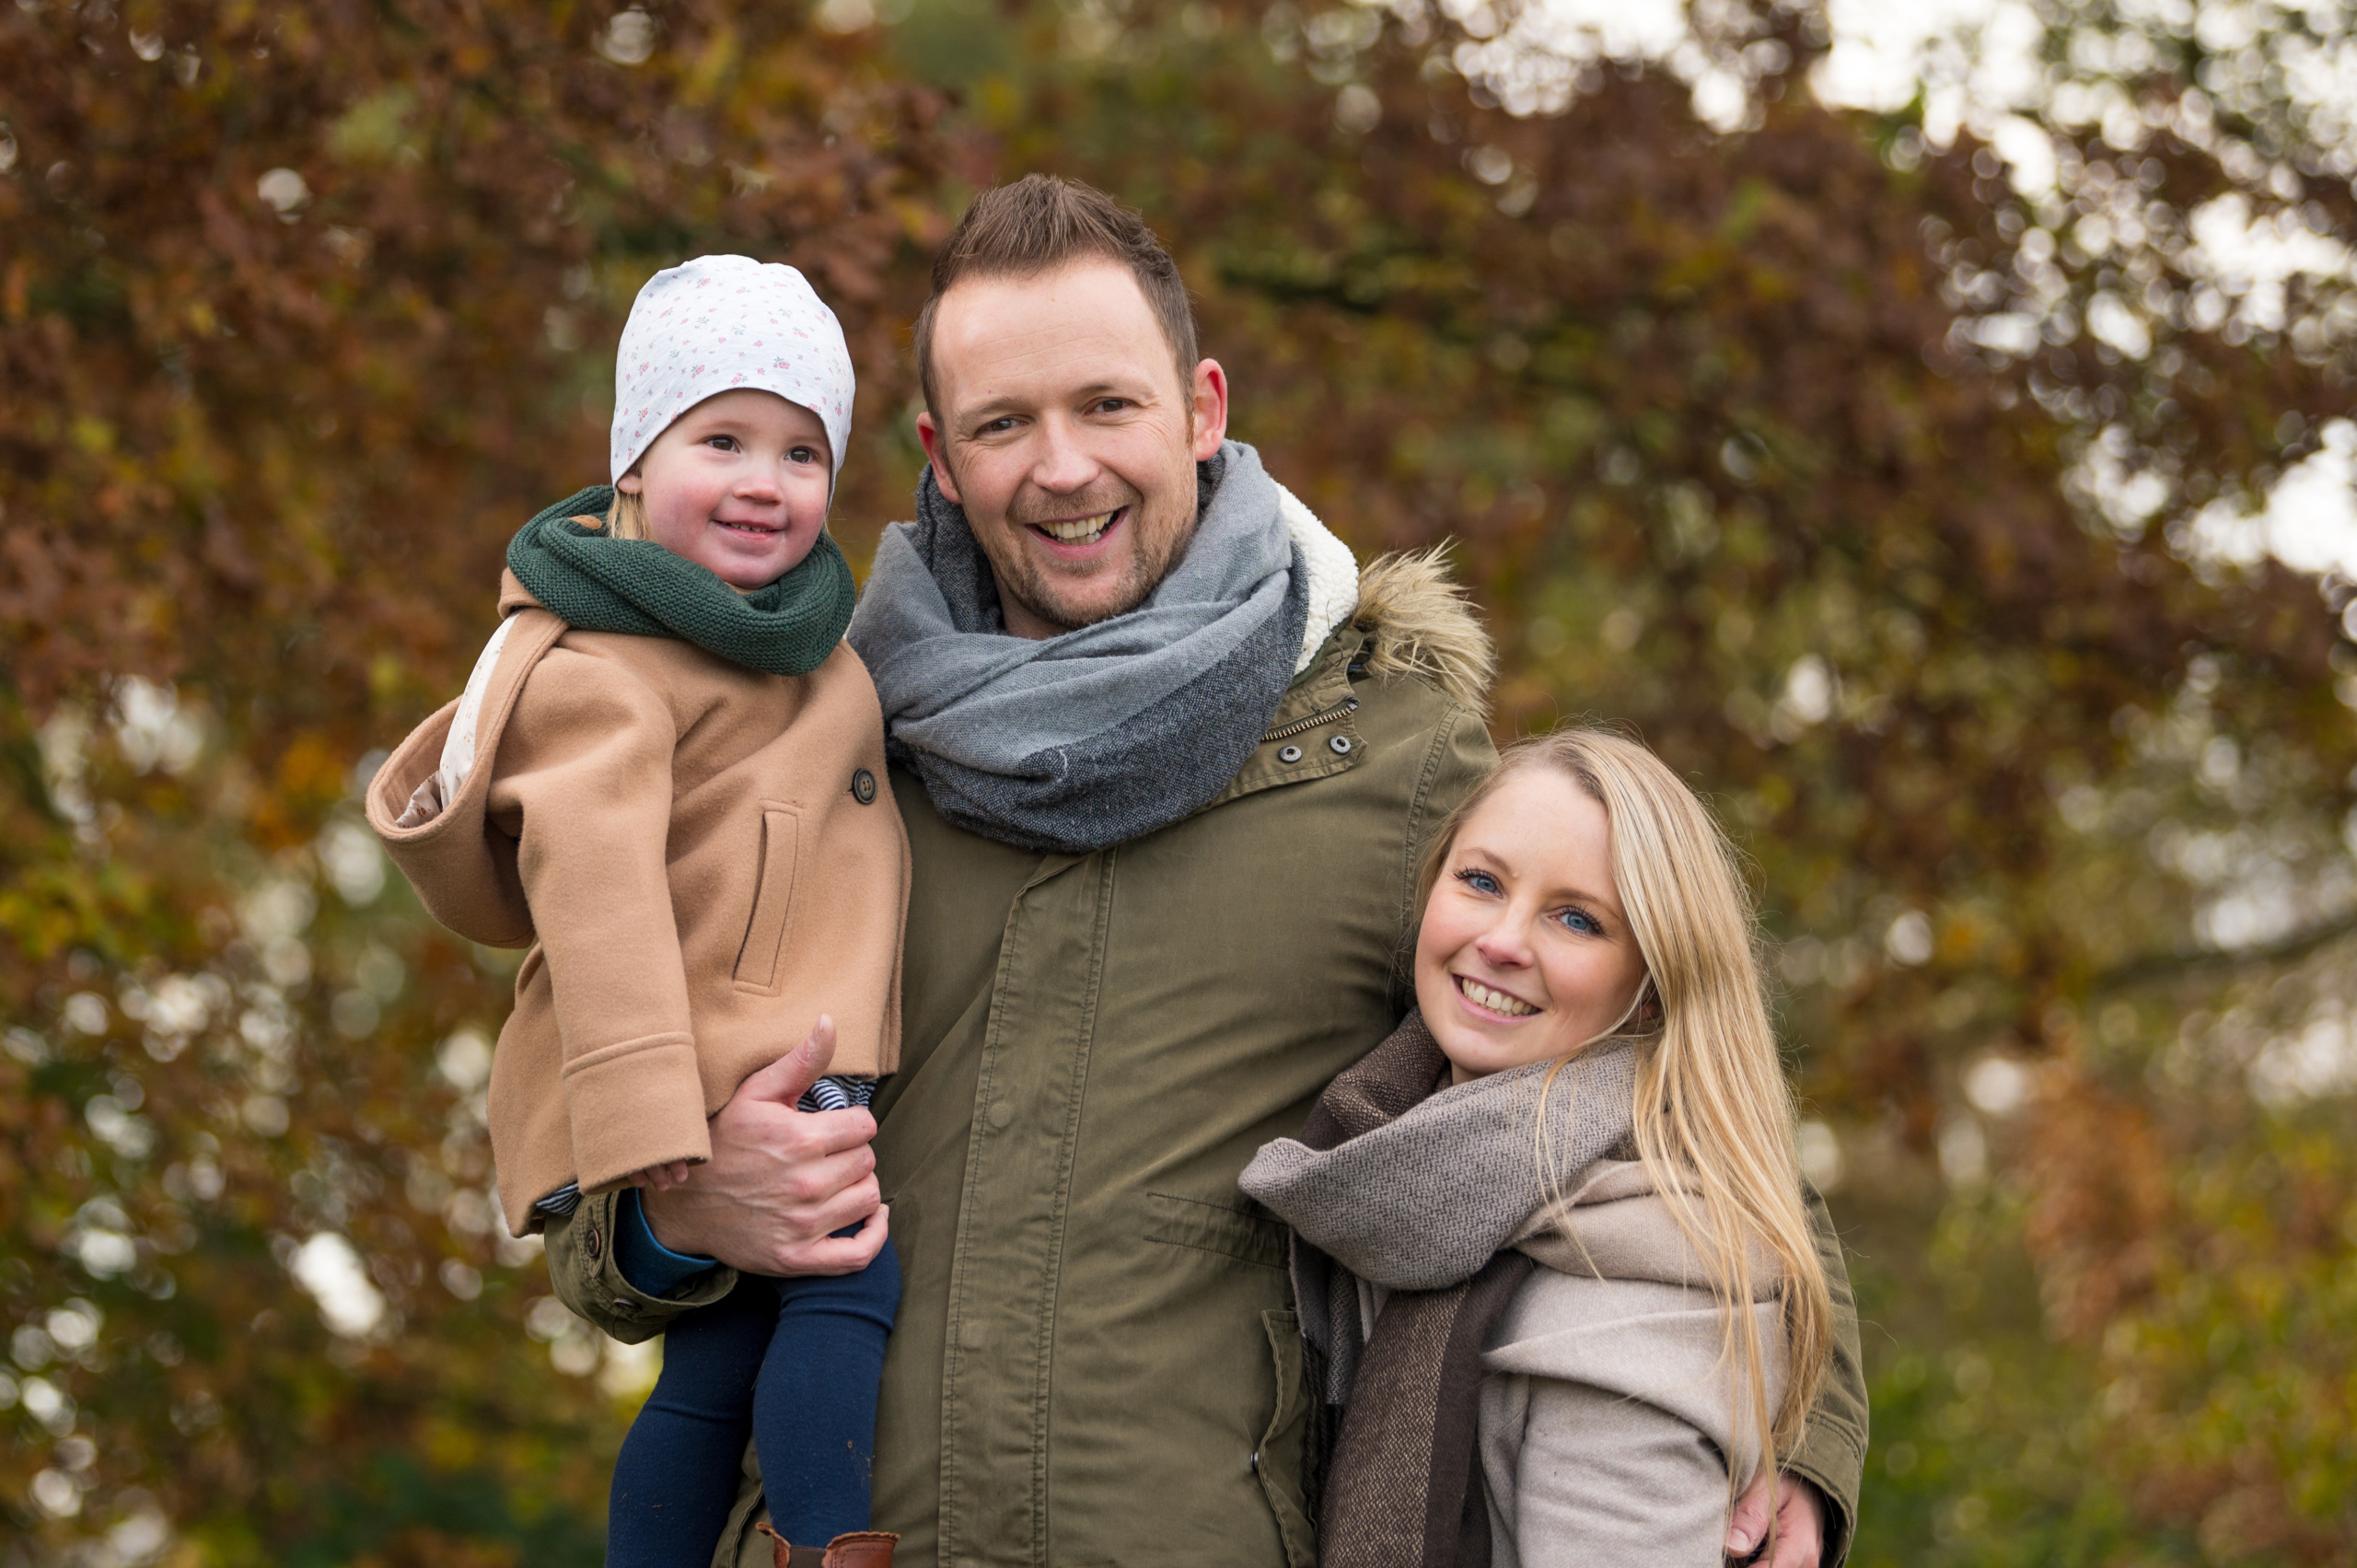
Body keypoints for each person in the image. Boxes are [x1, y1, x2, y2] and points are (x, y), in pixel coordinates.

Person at [540, 177, 1869, 1568]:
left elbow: (1678, 1077)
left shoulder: (1389, 755)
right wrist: (673, 1212)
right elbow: (579, 1157)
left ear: (1201, 408)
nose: (1062, 469)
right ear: (940, 456)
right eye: (1005, 423)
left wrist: (1806, 1440)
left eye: (1108, 406)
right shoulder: (806, 745)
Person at [364, 256, 910, 1568]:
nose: (762, 480)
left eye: (799, 450)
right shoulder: (601, 660)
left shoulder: (793, 639)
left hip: (753, 1043)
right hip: (722, 1067)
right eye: (719, 438)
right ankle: (825, 1540)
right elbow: (597, 893)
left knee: (715, 1361)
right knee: (851, 1283)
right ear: (632, 465)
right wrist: (648, 1117)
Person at [1241, 727, 1836, 1566]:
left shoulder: (1638, 1297)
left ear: (1653, 989)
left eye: (1576, 918)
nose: (1505, 940)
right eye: (1481, 881)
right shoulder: (1385, 1161)